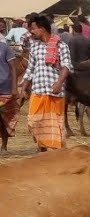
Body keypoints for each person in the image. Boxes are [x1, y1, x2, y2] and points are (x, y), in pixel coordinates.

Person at [20, 15, 70, 151]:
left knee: (54, 126)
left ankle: (54, 156)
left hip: (55, 92)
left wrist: (59, 83)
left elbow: (66, 67)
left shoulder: (61, 46)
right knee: (33, 122)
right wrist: (24, 88)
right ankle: (43, 150)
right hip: (38, 91)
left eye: (33, 29)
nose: (31, 32)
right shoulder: (34, 47)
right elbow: (30, 69)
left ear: (42, 29)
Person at [0, 34, 18, 152]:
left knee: (4, 118)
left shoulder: (5, 48)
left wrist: (14, 87)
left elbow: (13, 68)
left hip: (5, 87)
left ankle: (4, 145)